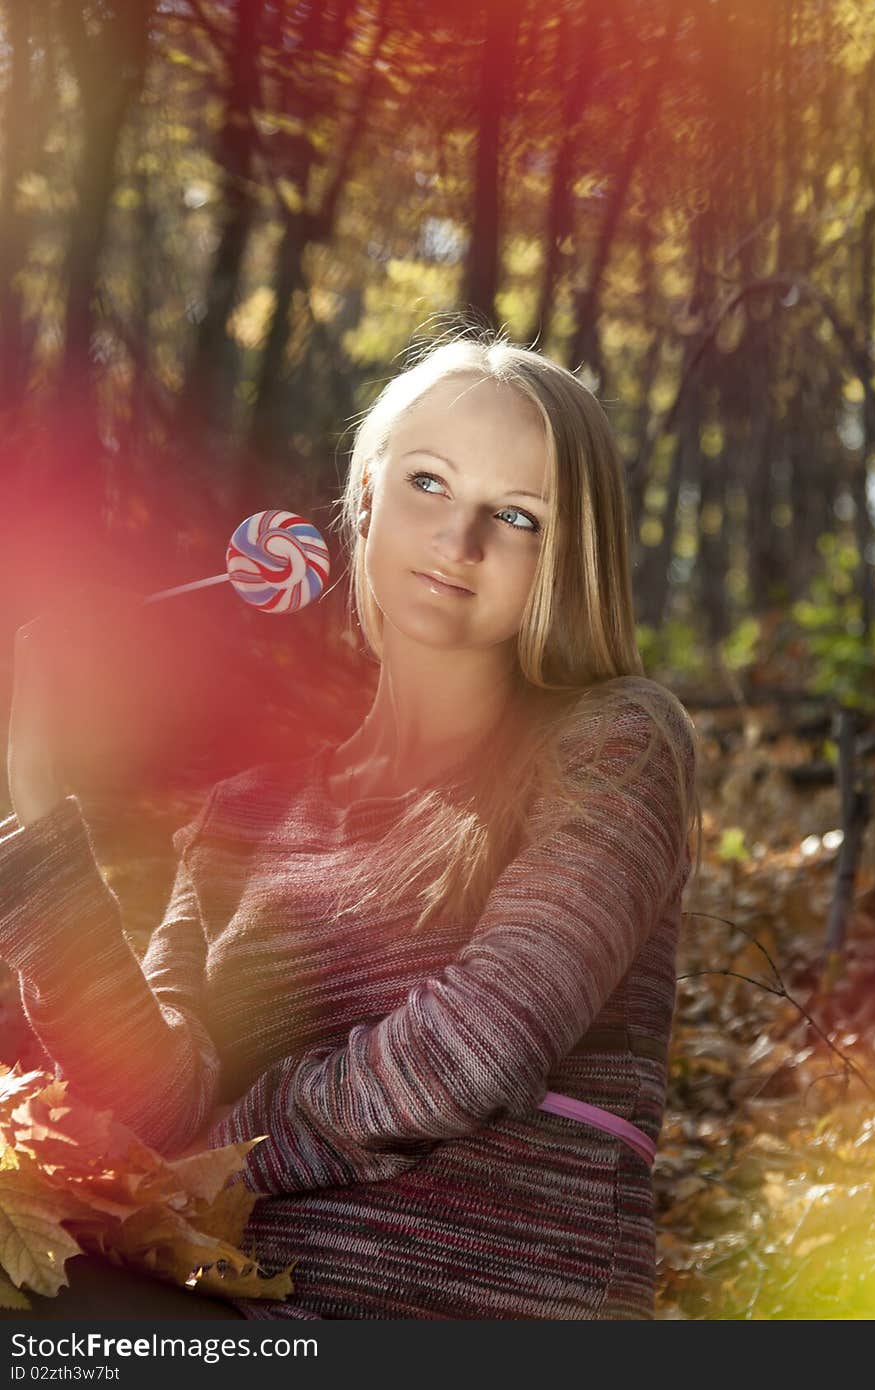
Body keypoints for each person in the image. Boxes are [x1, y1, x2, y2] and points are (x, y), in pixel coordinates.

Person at [0, 329, 701, 1320]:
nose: (460, 543)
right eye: (427, 483)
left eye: (516, 515)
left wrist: (235, 1135)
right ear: (362, 499)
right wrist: (36, 807)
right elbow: (150, 1106)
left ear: (567, 554)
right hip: (228, 1310)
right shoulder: (244, 814)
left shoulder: (617, 742)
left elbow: (480, 1047)